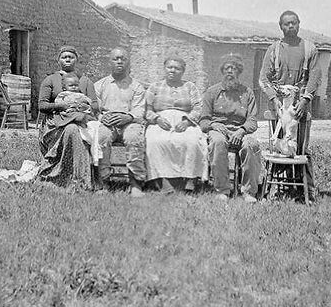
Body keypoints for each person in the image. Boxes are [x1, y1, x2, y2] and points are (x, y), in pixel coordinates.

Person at [258, 10, 321, 196]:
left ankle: (306, 190)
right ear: (281, 26)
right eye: (286, 24)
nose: (290, 26)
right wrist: (273, 99)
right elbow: (263, 78)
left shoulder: (310, 48)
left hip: (299, 105)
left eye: (294, 22)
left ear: (299, 23)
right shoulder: (274, 49)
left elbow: (315, 77)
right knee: (279, 146)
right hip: (279, 105)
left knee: (300, 147)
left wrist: (305, 100)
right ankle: (277, 187)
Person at [199, 53, 262, 203]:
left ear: (238, 72)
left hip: (240, 130)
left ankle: (249, 192)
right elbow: (203, 120)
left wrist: (241, 131)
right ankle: (222, 189)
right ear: (222, 71)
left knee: (251, 144)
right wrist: (213, 124)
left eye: (233, 68)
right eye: (226, 68)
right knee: (218, 142)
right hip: (218, 129)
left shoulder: (247, 93)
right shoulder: (212, 92)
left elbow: (252, 121)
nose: (229, 71)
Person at [38, 45, 99, 189]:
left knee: (83, 130)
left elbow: (95, 105)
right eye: (64, 57)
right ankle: (67, 177)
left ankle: (89, 177)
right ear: (58, 60)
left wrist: (82, 111)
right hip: (56, 123)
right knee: (71, 130)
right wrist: (63, 107)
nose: (67, 60)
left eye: (70, 57)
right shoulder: (50, 80)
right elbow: (42, 106)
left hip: (82, 120)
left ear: (76, 59)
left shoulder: (85, 81)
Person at [144, 55, 207, 193]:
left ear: (183, 71)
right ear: (164, 69)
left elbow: (198, 108)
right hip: (160, 121)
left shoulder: (190, 86)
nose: (172, 70)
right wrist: (157, 119)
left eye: (177, 68)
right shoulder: (155, 86)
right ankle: (161, 181)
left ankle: (189, 180)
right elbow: (147, 109)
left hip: (185, 120)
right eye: (169, 67)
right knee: (155, 141)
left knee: (192, 141)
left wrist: (187, 121)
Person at [94, 47, 147, 197]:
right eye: (115, 59)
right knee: (101, 137)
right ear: (109, 62)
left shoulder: (136, 86)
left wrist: (128, 117)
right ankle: (104, 180)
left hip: (129, 123)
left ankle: (136, 182)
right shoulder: (100, 85)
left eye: (123, 59)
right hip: (107, 123)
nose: (119, 62)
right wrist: (101, 117)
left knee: (134, 138)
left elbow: (140, 109)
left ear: (128, 62)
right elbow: (94, 109)